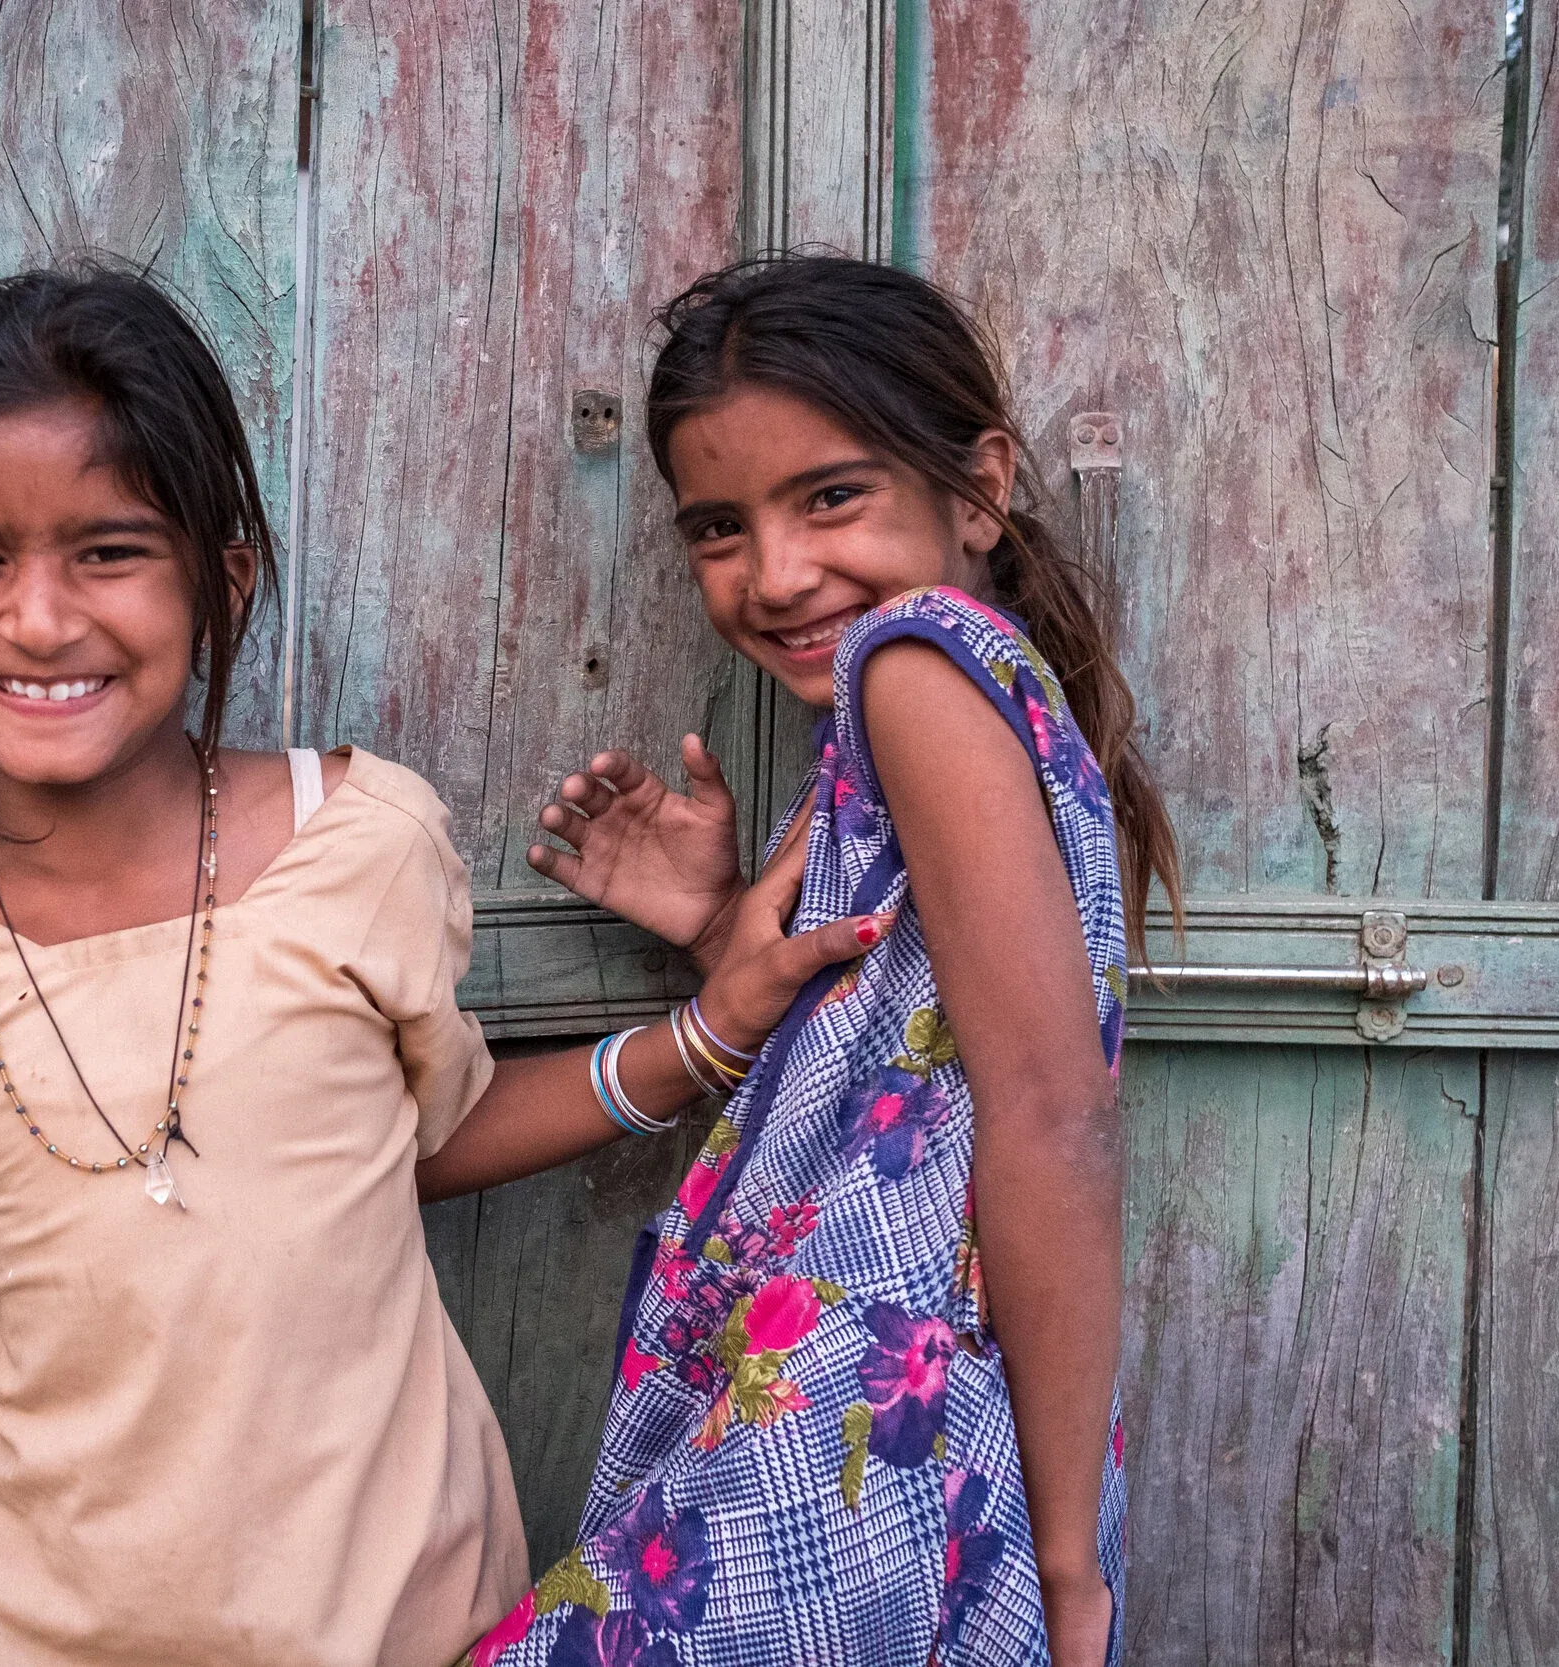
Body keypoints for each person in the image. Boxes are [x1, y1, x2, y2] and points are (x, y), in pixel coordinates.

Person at [0, 261, 885, 1667]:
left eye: (109, 550)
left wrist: (710, 1031)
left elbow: (414, 1140)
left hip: (391, 1613)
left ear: (223, 578)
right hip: (53, 1625)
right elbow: (43, 1224)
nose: (39, 619)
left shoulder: (361, 844)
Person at [486, 253, 1183, 1667]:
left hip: (854, 1446)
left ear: (979, 485)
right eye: (719, 527)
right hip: (890, 1436)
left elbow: (1055, 1114)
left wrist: (1069, 1575)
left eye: (832, 497)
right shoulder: (953, 690)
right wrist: (722, 923)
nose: (777, 572)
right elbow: (910, 1028)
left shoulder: (912, 664)